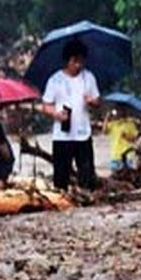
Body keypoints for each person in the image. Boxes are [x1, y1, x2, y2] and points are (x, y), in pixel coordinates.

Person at [40, 38, 101, 190]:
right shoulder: (55, 80)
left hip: (83, 133)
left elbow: (98, 102)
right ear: (68, 60)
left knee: (87, 175)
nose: (78, 65)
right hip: (62, 135)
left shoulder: (89, 77)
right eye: (75, 61)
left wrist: (92, 101)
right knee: (61, 177)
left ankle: (87, 199)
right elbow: (46, 105)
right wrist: (56, 114)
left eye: (81, 61)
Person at [106, 106, 141, 175]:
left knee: (129, 176)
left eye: (120, 111)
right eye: (117, 111)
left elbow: (135, 138)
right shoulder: (113, 124)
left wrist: (127, 137)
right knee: (115, 178)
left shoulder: (130, 124)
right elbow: (104, 130)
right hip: (115, 154)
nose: (118, 113)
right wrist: (107, 117)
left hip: (128, 155)